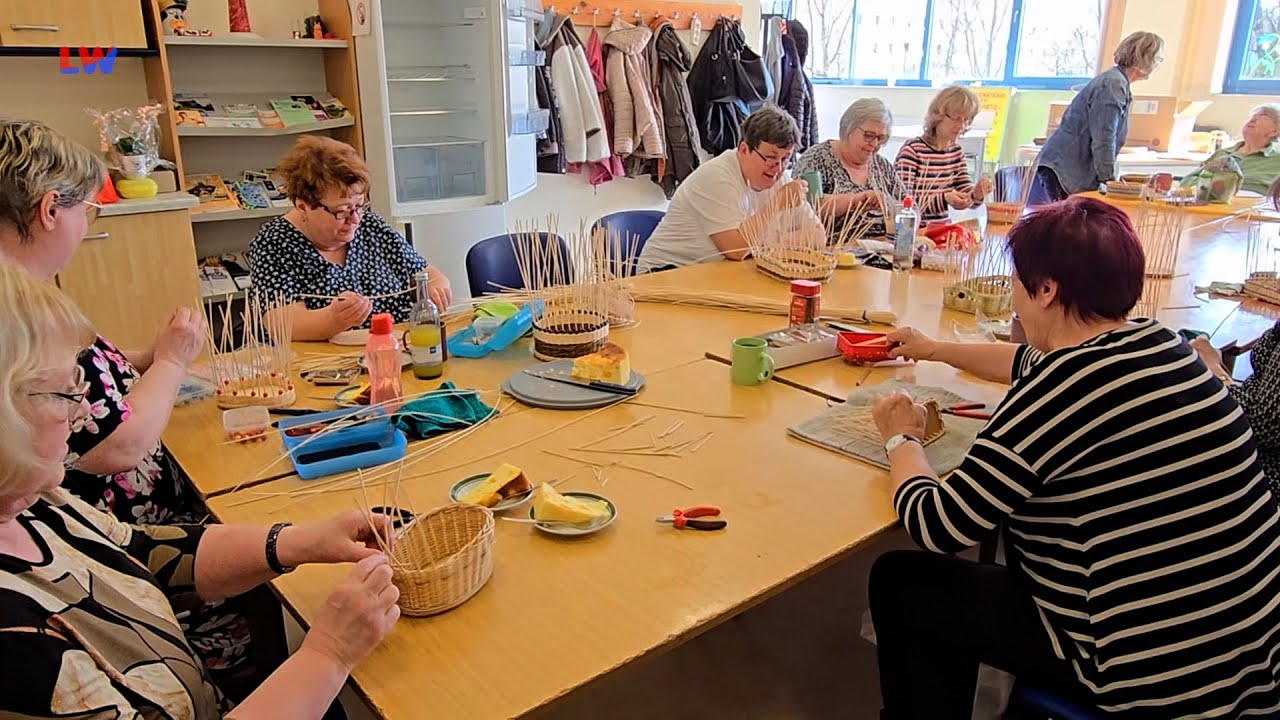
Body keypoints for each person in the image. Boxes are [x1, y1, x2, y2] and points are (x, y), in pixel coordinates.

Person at [868, 196, 1280, 718]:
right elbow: (1030, 359)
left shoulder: (1062, 392)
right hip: (1247, 660)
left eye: (1018, 283)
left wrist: (901, 439)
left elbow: (941, 524)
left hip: (1150, 678)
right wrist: (934, 349)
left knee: (903, 582)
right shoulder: (1167, 347)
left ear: (1046, 290)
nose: (1013, 296)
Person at [0, 263, 400, 719]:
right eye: (65, 395)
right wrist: (327, 655)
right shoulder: (15, 640)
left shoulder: (34, 505)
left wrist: (299, 541)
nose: (81, 416)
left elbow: (140, 551)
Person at [0, 118, 267, 695]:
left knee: (266, 550)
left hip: (109, 539)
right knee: (262, 611)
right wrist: (171, 361)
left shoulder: (27, 301)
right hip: (114, 545)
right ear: (50, 210)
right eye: (86, 210)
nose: (86, 223)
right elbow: (117, 444)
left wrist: (142, 360)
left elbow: (90, 381)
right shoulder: (13, 312)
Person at [246, 136, 453, 341]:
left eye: (359, 206)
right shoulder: (274, 243)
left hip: (397, 347)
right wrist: (333, 319)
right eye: (342, 211)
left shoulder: (372, 226)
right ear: (303, 207)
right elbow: (281, 323)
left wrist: (434, 291)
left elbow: (429, 276)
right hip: (323, 364)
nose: (354, 219)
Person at [635, 104, 808, 272]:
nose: (778, 168)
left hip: (712, 274)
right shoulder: (717, 177)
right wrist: (776, 205)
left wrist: (774, 242)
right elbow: (735, 250)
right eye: (770, 157)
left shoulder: (779, 177)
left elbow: (818, 235)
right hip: (666, 272)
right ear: (743, 150)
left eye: (786, 159)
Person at [1033, 31, 1164, 203]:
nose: (1158, 65)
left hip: (1071, 169)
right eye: (1158, 59)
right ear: (1145, 58)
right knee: (1069, 226)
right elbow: (1104, 138)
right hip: (1065, 169)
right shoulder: (1113, 85)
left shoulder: (1118, 82)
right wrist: (1109, 182)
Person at [793, 98, 906, 241]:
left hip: (884, 249)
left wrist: (894, 211)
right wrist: (854, 201)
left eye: (881, 138)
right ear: (848, 129)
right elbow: (804, 208)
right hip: (837, 252)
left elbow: (909, 206)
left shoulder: (882, 166)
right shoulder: (816, 158)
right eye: (868, 135)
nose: (875, 144)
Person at [894, 86, 992, 224]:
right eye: (956, 118)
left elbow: (968, 198)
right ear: (937, 116)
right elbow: (902, 202)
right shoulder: (912, 151)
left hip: (942, 230)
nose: (961, 126)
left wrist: (977, 194)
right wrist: (944, 199)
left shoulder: (956, 152)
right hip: (913, 231)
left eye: (966, 120)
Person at [1180, 104, 1280, 195]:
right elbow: (1187, 181)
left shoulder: (1276, 161)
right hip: (1212, 205)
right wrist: (1214, 186)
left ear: (1275, 131)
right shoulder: (1223, 154)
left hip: (1253, 210)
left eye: (1263, 116)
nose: (1253, 119)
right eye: (1253, 116)